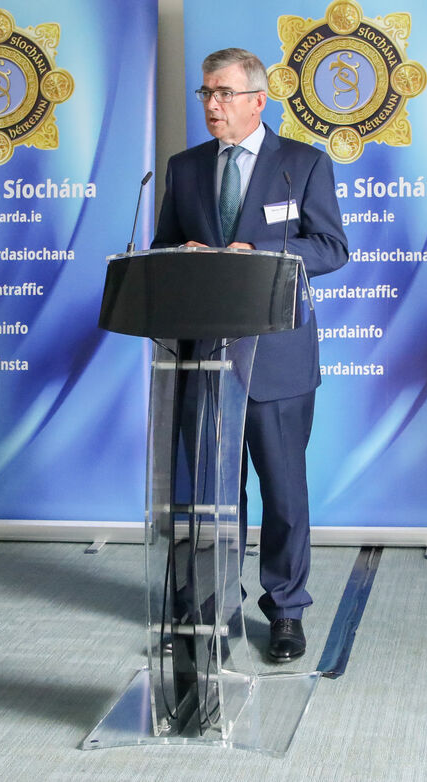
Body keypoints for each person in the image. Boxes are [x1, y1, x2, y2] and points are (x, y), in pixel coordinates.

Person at [152, 47, 348, 662]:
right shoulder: (185, 168)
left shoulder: (302, 164)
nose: (212, 105)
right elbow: (162, 245)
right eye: (205, 93)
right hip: (203, 355)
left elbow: (331, 247)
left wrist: (260, 254)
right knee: (214, 492)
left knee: (283, 491)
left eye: (224, 93)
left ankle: (286, 608)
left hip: (277, 358)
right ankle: (214, 601)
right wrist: (179, 254)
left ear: (257, 101)